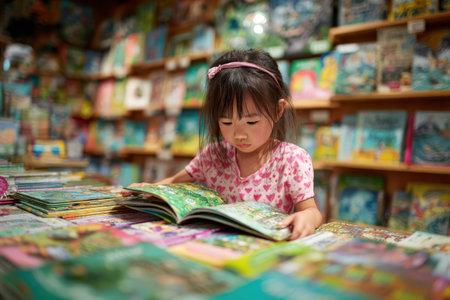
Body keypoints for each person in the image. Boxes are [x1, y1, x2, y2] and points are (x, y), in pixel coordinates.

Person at [134, 49, 322, 240]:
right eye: (226, 123)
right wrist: (149, 189)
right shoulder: (212, 155)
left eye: (251, 122)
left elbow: (313, 213)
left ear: (277, 110)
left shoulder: (292, 159)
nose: (239, 135)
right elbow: (173, 182)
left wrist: (307, 217)